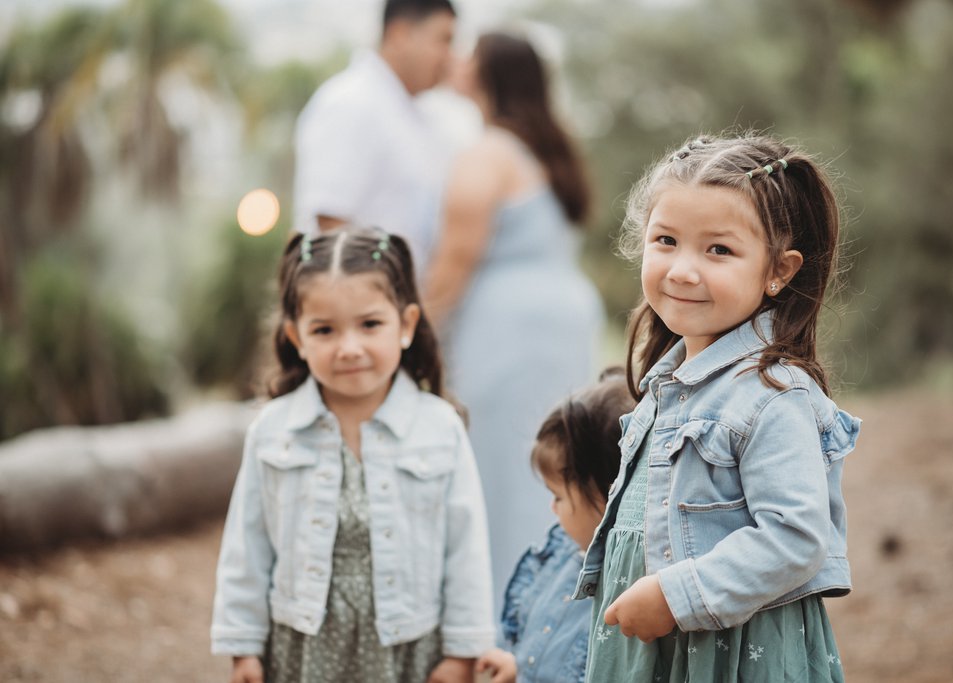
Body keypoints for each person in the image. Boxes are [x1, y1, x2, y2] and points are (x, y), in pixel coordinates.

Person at [576, 134, 862, 682]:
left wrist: (676, 595)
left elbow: (797, 536)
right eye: (666, 241)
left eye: (718, 250)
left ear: (779, 269)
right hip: (654, 651)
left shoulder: (772, 394)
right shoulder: (668, 383)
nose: (683, 270)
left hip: (728, 655)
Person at [210, 227, 493, 683]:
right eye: (324, 330)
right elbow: (247, 547)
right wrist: (242, 647)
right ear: (296, 337)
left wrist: (462, 651)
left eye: (369, 324)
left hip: (406, 648)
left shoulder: (439, 429)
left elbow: (466, 550)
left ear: (406, 325)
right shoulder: (273, 430)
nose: (349, 348)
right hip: (301, 648)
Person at [424, 30, 605, 602]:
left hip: (509, 330)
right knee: (557, 462)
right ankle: (559, 602)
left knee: (506, 470)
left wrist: (410, 329)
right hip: (562, 320)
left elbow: (455, 261)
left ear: (485, 75)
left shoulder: (487, 154)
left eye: (467, 55)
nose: (456, 62)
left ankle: (511, 612)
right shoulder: (549, 149)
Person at [474, 368, 636, 683]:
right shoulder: (562, 555)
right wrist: (517, 668)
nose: (552, 508)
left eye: (559, 497)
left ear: (608, 496)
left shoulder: (623, 593)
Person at [292, 0, 457, 269]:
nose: (450, 56)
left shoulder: (411, 112)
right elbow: (331, 224)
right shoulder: (352, 103)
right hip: (363, 305)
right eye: (444, 40)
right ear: (400, 34)